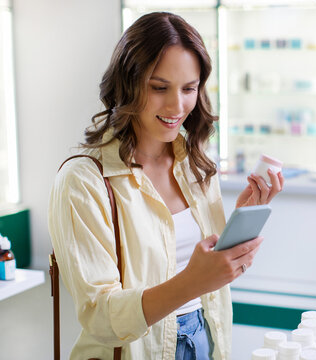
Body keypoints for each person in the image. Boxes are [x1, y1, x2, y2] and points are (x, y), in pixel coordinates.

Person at [48, 12, 283, 360]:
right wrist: (190, 283)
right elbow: (100, 316)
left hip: (204, 339)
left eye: (189, 88)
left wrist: (240, 224)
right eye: (159, 88)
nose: (177, 106)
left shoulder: (195, 165)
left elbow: (212, 277)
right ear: (127, 84)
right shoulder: (83, 182)